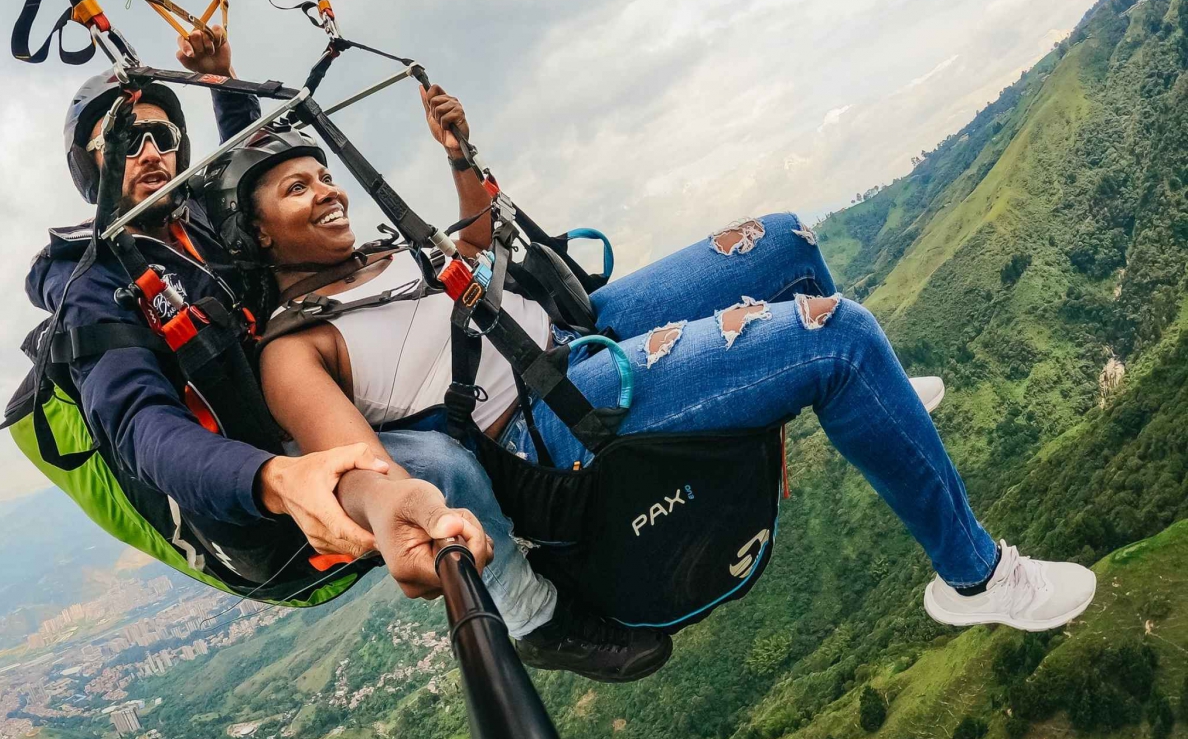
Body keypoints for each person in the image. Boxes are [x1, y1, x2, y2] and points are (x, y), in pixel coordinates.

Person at [228, 82, 1098, 644]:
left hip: (570, 331)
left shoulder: (380, 256)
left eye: (323, 174)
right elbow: (358, 466)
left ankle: (881, 405)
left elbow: (477, 254)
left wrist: (461, 159)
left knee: (787, 238)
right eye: (297, 187)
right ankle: (976, 575)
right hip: (553, 416)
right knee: (836, 334)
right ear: (260, 233)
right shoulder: (294, 346)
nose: (328, 189)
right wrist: (403, 510)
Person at [24, 26, 491, 594]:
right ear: (91, 164)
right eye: (125, 138)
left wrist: (219, 77)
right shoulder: (89, 280)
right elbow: (139, 426)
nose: (150, 152)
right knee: (437, 468)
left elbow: (253, 173)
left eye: (163, 136)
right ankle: (534, 613)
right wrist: (276, 476)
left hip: (313, 407)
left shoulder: (199, 221)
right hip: (249, 482)